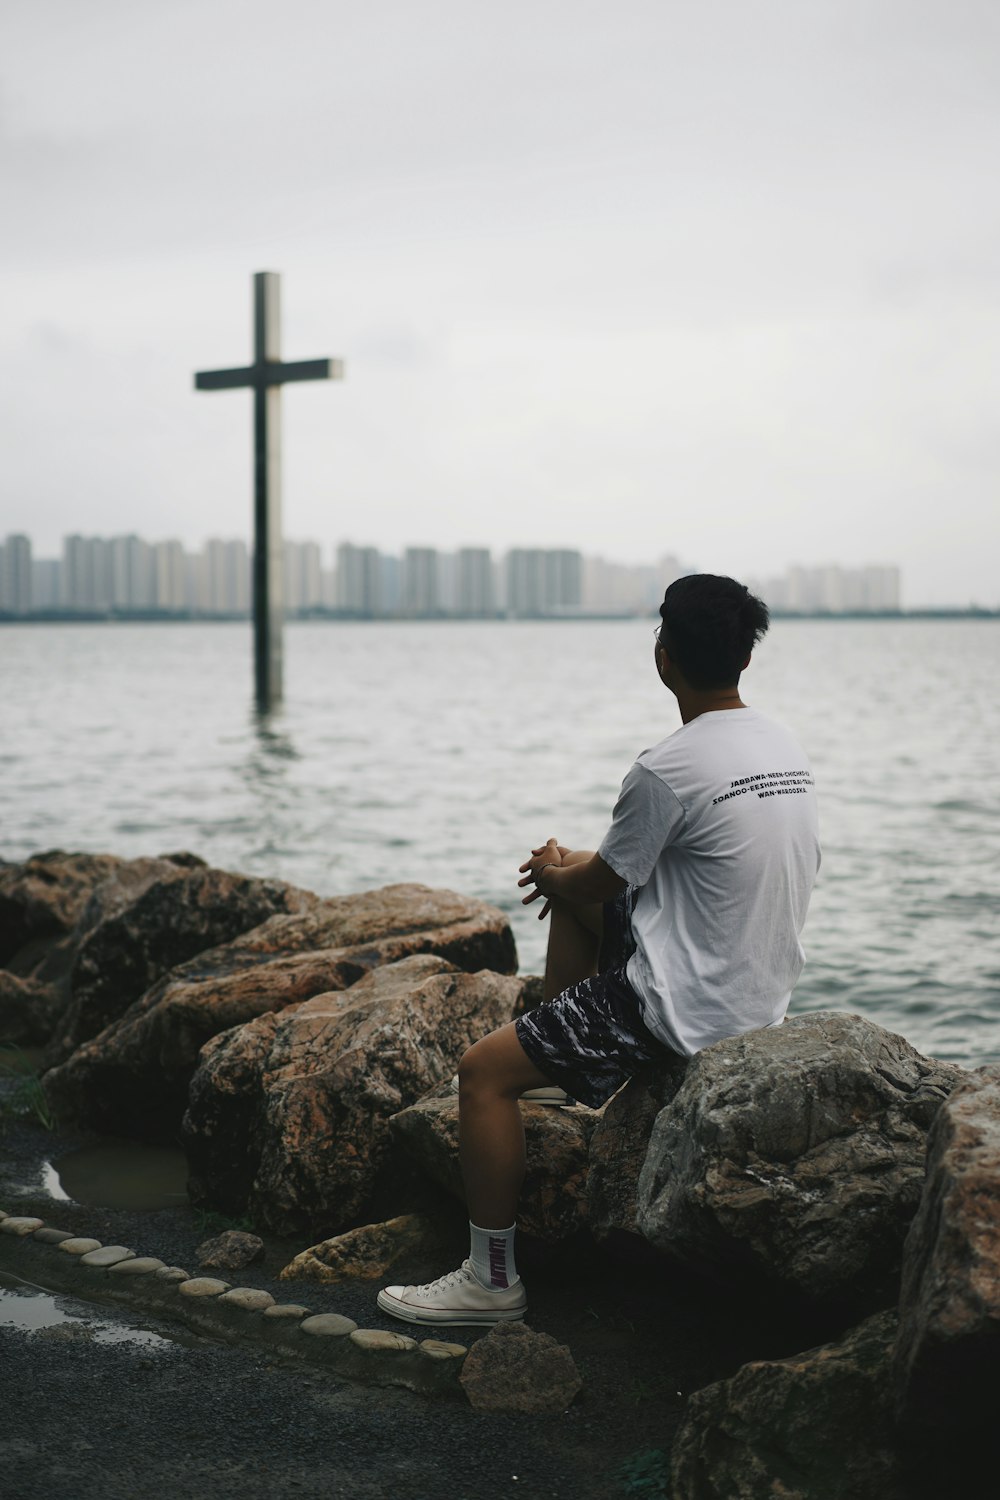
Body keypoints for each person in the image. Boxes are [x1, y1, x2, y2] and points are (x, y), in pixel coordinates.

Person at [377, 573, 821, 1327]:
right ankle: (559, 1067)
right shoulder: (782, 745)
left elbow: (608, 875)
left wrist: (556, 868)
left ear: (664, 656)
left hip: (682, 1009)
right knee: (575, 890)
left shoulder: (668, 766)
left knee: (482, 1074)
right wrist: (569, 870)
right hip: (757, 997)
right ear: (746, 659)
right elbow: (617, 874)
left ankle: (490, 1282)